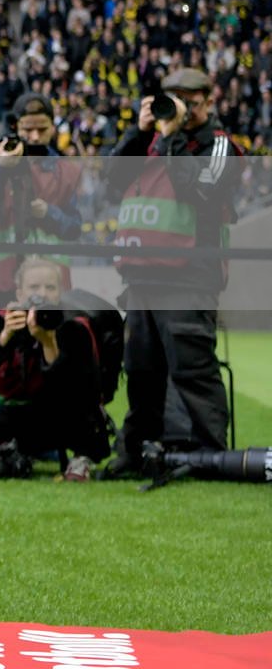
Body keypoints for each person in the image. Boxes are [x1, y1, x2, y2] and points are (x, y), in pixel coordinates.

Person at [101, 67, 242, 475]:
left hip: (189, 277)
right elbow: (113, 178)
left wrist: (173, 136)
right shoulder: (154, 141)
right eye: (174, 100)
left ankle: (210, 456)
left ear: (209, 102)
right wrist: (141, 131)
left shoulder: (220, 146)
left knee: (193, 372)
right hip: (142, 276)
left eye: (191, 102)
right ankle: (136, 453)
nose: (182, 110)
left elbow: (198, 190)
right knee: (142, 375)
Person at [0, 258, 111, 480]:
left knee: (79, 409)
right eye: (34, 287)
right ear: (19, 293)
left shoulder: (73, 326)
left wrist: (48, 342)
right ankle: (16, 452)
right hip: (18, 411)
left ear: (60, 293)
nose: (42, 294)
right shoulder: (7, 319)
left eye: (50, 288)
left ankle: (80, 458)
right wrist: (3, 338)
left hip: (61, 413)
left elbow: (80, 390)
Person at [0, 94, 83, 312]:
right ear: (15, 126)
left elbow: (74, 227)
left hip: (47, 280)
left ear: (53, 127)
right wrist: (1, 169)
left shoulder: (65, 170)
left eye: (42, 129)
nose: (35, 137)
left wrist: (49, 213)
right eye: (28, 130)